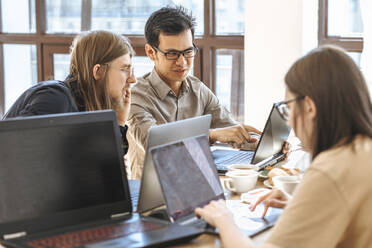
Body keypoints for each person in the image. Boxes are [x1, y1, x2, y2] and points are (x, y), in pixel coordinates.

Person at [195, 45, 372, 248]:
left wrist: (224, 219)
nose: (289, 122)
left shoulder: (331, 170)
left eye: (289, 107)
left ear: (309, 107)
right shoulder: (362, 150)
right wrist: (304, 207)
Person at [127, 6, 260, 179]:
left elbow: (230, 130)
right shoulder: (136, 96)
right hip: (154, 197)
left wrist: (263, 143)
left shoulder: (198, 89)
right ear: (151, 52)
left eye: (188, 51)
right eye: (172, 54)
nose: (182, 62)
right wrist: (211, 134)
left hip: (197, 185)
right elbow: (155, 144)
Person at [3, 30, 136, 156]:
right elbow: (13, 150)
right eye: (125, 69)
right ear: (98, 72)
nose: (132, 79)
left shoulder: (86, 107)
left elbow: (106, 161)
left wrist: (119, 121)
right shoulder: (56, 98)